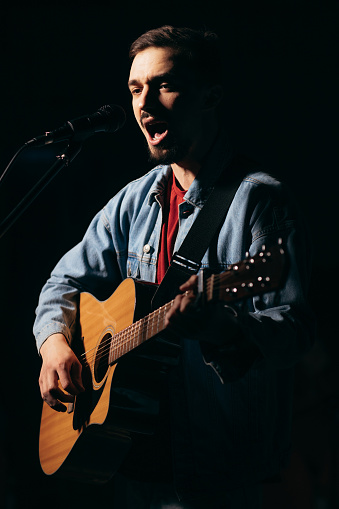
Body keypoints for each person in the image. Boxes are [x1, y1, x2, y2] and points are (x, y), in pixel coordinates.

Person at [34, 25, 315, 508]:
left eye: (164, 85)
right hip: (132, 458)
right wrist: (54, 345)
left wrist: (225, 327)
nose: (145, 104)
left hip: (217, 469)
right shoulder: (135, 200)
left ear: (211, 96)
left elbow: (293, 331)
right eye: (135, 89)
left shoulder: (261, 200)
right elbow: (62, 281)